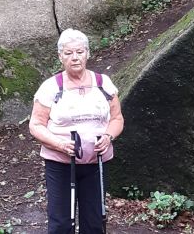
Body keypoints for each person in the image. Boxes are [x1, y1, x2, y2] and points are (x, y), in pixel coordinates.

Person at [29, 28, 124, 234]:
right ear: (60, 56)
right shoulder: (50, 87)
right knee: (62, 224)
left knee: (94, 222)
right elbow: (35, 125)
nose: (75, 58)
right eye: (68, 53)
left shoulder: (103, 83)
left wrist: (108, 137)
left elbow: (117, 118)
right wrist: (60, 144)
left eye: (79, 52)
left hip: (95, 163)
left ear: (87, 54)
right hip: (60, 164)